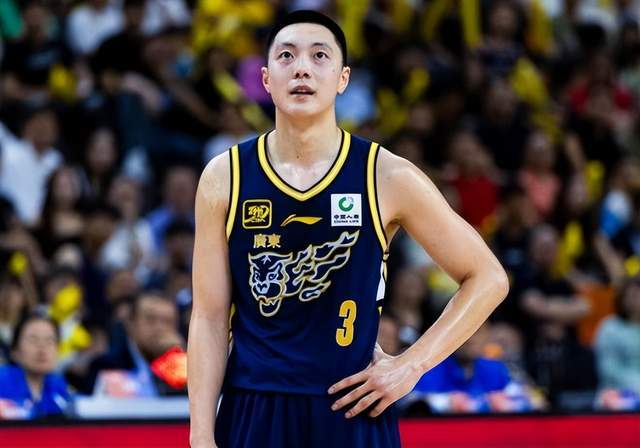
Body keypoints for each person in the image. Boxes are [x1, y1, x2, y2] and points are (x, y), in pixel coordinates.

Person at [188, 10, 509, 448]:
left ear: (343, 79)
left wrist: (411, 365)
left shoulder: (387, 175)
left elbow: (488, 277)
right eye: (287, 56)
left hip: (352, 405)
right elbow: (208, 317)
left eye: (319, 56)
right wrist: (200, 435)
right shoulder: (225, 176)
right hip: (254, 406)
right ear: (265, 80)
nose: (302, 68)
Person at [0, 312, 71, 419]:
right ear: (14, 351)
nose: (42, 348)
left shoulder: (58, 384)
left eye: (49, 340)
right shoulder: (2, 380)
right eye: (33, 340)